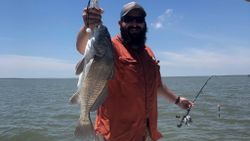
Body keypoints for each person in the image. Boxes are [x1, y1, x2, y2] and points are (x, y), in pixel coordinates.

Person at [76, 1, 193, 141]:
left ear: (144, 24)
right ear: (120, 23)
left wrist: (177, 100)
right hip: (114, 136)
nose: (134, 24)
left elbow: (157, 86)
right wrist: (87, 27)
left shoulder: (149, 53)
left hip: (145, 134)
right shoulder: (110, 46)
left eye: (139, 20)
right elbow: (82, 47)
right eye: (129, 20)